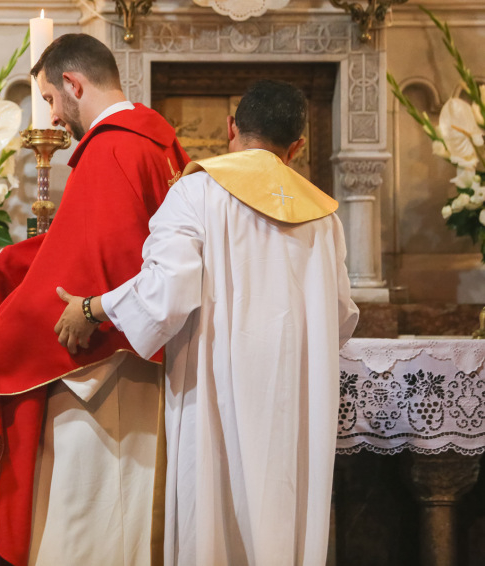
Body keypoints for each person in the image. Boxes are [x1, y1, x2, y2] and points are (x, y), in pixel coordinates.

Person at [54, 80, 360, 566]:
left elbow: (167, 294)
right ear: (297, 146)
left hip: (216, 393)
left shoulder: (196, 192)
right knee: (285, 513)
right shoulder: (324, 216)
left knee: (214, 517)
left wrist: (93, 308)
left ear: (231, 127)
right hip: (294, 400)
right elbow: (341, 316)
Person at [0, 34, 190, 566]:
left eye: (50, 98)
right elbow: (87, 243)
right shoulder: (159, 142)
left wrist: (17, 324)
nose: (52, 115)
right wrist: (7, 266)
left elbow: (101, 263)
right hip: (148, 355)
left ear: (73, 84)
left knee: (93, 515)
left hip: (102, 368)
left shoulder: (110, 148)